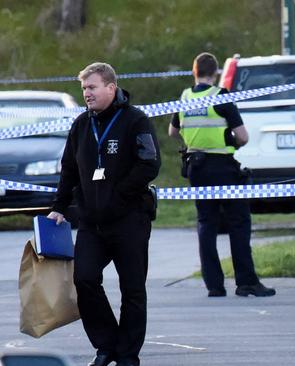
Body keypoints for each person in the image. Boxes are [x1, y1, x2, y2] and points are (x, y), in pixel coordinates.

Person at [48, 62, 161, 366]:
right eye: (84, 88)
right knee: (84, 279)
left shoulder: (135, 120)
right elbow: (69, 169)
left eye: (92, 87)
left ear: (111, 87)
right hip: (91, 222)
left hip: (129, 219)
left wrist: (120, 193)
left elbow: (149, 163)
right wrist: (59, 207)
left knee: (132, 289)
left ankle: (127, 355)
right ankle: (107, 345)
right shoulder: (82, 125)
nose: (87, 93)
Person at [169, 52, 275, 298]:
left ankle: (214, 285)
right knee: (238, 222)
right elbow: (243, 137)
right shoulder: (220, 97)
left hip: (196, 167)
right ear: (215, 73)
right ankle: (246, 281)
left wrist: (193, 140)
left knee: (206, 224)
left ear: (194, 72)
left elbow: (173, 131)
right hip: (223, 167)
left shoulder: (184, 98)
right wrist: (228, 140)